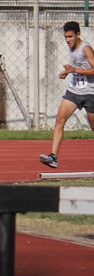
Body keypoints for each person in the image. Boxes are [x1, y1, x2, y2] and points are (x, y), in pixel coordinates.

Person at [40, 21, 94, 168]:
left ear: (78, 34)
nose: (68, 40)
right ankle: (53, 157)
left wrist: (74, 70)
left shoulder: (86, 49)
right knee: (59, 120)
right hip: (74, 91)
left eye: (70, 37)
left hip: (90, 93)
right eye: (65, 37)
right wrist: (68, 72)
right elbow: (77, 68)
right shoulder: (72, 47)